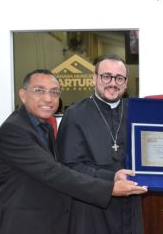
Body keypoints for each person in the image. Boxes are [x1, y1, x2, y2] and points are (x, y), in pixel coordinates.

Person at [0, 69, 147, 234]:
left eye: (54, 92)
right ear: (23, 95)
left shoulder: (43, 126)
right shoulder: (14, 130)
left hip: (47, 222)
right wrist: (110, 189)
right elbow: (54, 173)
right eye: (39, 90)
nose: (48, 98)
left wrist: (113, 176)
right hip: (23, 225)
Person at [57, 54, 143, 234]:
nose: (113, 83)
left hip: (130, 204)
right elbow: (69, 167)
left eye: (119, 78)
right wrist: (111, 179)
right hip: (91, 209)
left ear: (126, 83)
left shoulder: (137, 111)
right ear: (94, 78)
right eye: (106, 76)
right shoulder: (74, 115)